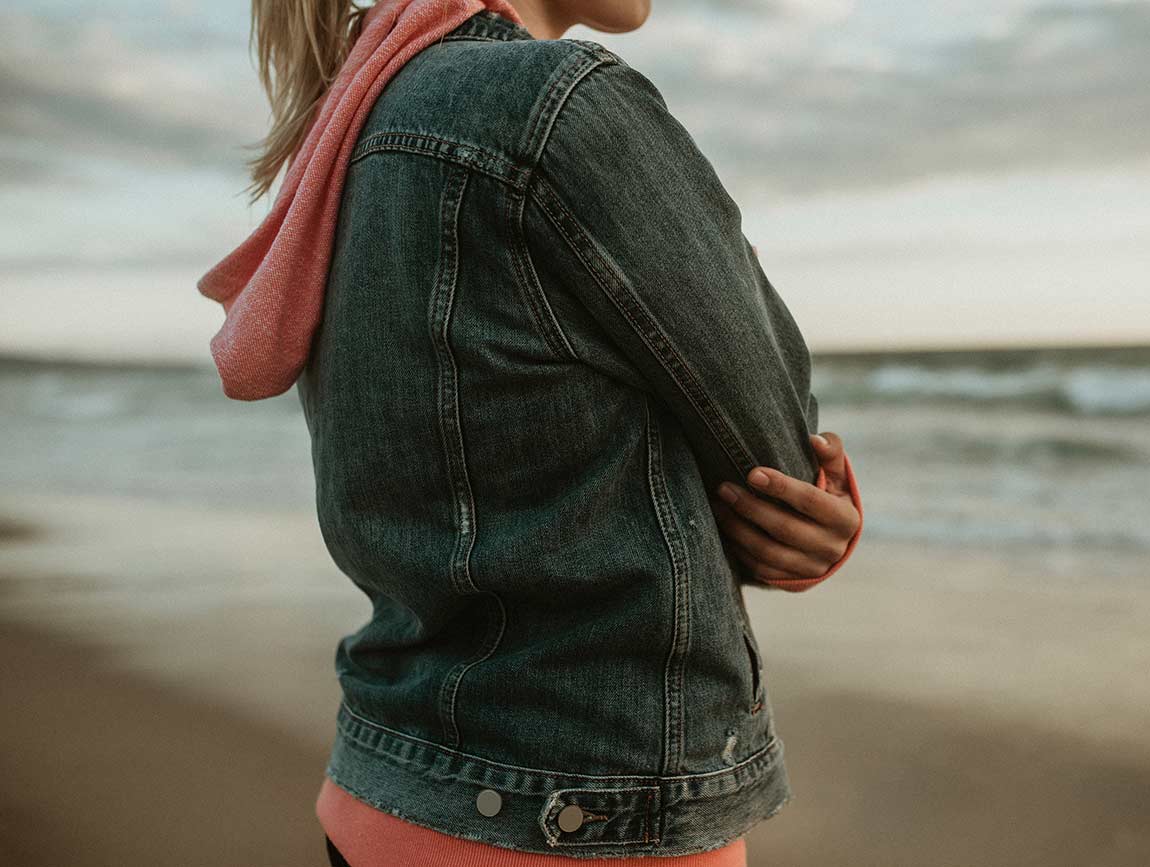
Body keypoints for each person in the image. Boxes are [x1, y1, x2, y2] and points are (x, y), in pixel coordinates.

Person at [200, 1, 863, 864]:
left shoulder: (355, 121)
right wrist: (815, 517)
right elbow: (777, 459)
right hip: (583, 812)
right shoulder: (559, 105)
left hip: (384, 784)